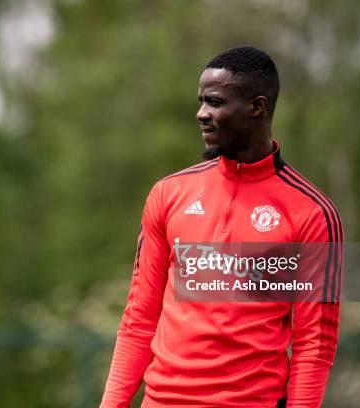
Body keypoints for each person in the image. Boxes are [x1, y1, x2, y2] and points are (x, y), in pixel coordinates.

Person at [99, 46, 343, 408]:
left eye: (214, 102)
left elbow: (314, 344)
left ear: (257, 107)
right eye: (200, 102)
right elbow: (139, 318)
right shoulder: (168, 194)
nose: (201, 114)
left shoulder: (311, 213)